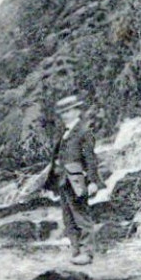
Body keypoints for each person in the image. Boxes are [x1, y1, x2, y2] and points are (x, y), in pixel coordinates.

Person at [47, 93, 106, 265]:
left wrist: (94, 181)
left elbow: (90, 158)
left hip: (77, 180)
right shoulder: (65, 133)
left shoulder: (83, 131)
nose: (64, 116)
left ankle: (87, 253)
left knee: (81, 217)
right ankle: (76, 251)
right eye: (62, 113)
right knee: (68, 218)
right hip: (63, 180)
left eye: (67, 112)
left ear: (75, 112)